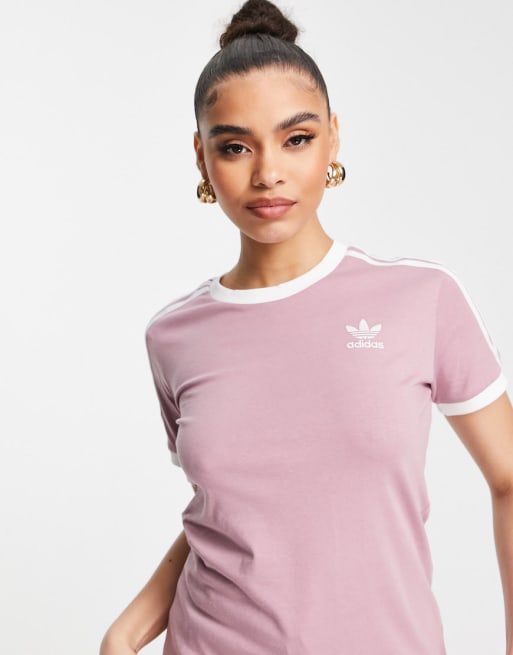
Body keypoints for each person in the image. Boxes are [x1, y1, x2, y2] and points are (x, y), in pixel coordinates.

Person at [99, 1, 513, 654]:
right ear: (202, 158)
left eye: (296, 139)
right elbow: (228, 514)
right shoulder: (174, 335)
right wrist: (125, 632)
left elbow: (509, 479)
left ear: (332, 139)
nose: (268, 172)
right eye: (235, 147)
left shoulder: (421, 298)